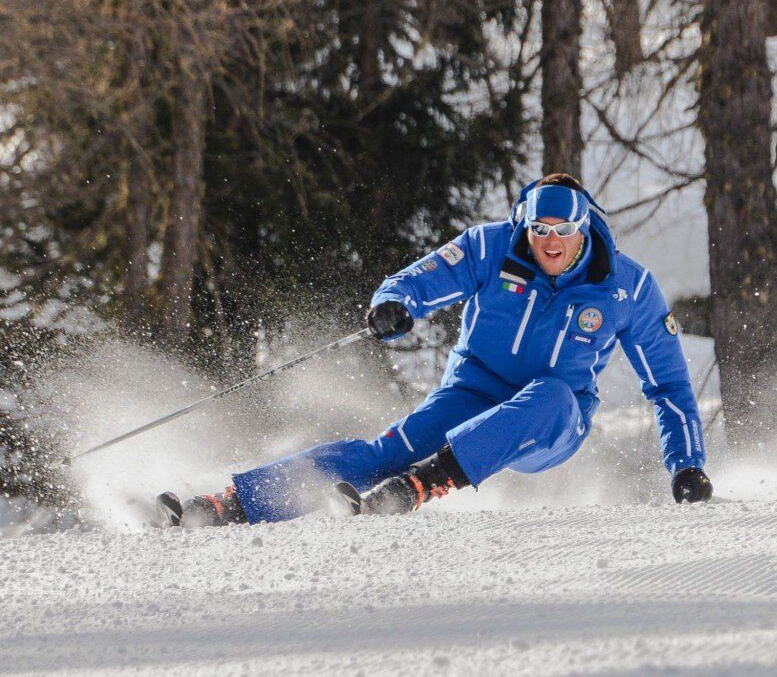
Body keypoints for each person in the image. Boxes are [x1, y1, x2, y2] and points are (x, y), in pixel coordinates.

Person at [158, 174, 712, 527]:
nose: (548, 241)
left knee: (552, 393)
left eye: (562, 230)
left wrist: (687, 464)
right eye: (538, 228)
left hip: (551, 422)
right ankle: (231, 502)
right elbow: (420, 279)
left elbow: (668, 383)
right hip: (472, 392)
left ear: (583, 227)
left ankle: (430, 481)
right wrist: (394, 304)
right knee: (381, 454)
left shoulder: (627, 287)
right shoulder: (491, 247)